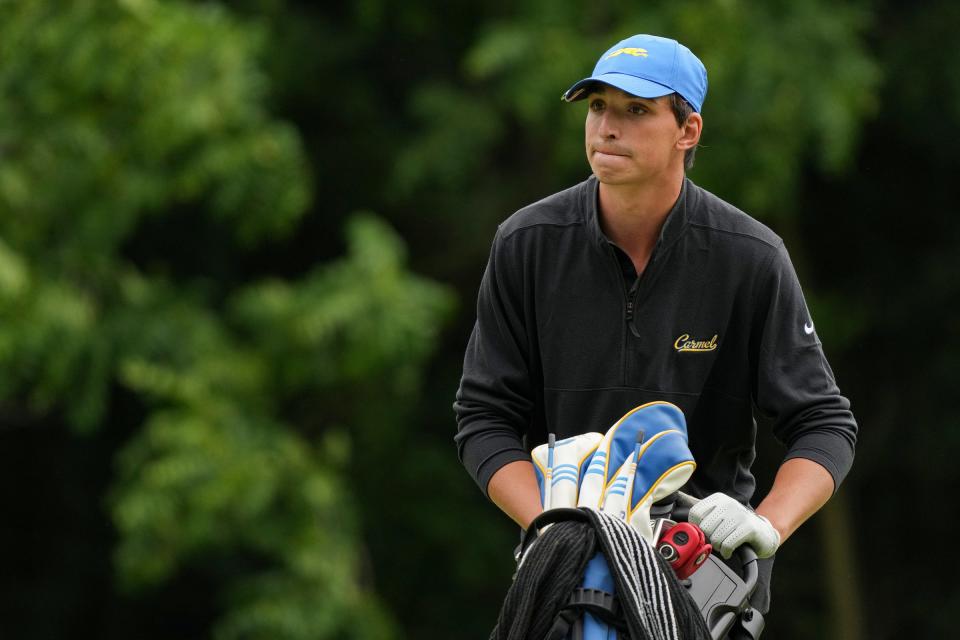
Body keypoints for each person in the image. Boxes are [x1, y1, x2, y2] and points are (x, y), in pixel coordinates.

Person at [453, 33, 857, 614]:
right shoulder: (527, 243)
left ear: (686, 131)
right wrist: (550, 522)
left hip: (704, 578)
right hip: (566, 576)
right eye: (597, 107)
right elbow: (483, 418)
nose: (607, 127)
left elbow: (824, 423)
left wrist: (766, 522)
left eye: (636, 110)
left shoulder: (750, 257)